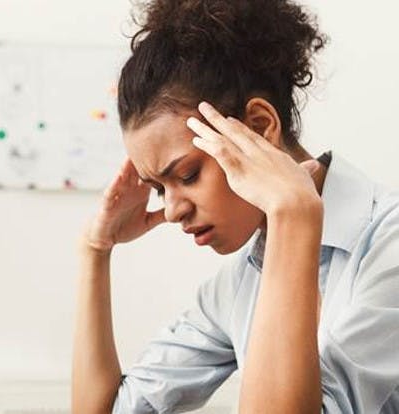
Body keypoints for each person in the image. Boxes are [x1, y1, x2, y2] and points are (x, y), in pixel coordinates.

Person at [72, 0, 399, 413]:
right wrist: (95, 250)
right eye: (159, 188)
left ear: (260, 127)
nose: (172, 212)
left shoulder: (388, 245)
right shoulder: (238, 285)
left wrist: (293, 215)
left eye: (187, 175)